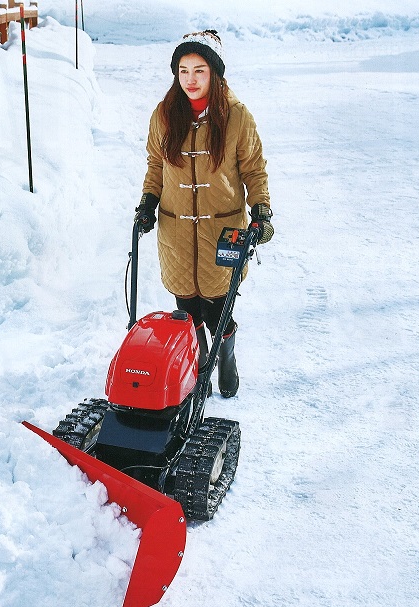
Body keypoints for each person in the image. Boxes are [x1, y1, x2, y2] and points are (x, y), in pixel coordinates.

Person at [134, 29, 274, 398]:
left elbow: (254, 170)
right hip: (176, 231)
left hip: (223, 229)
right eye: (183, 71)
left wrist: (261, 210)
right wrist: (148, 203)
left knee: (218, 309)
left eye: (199, 71)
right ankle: (199, 367)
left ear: (214, 72)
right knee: (187, 309)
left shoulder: (237, 117)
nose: (190, 80)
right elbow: (155, 165)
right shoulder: (164, 115)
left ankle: (225, 359)